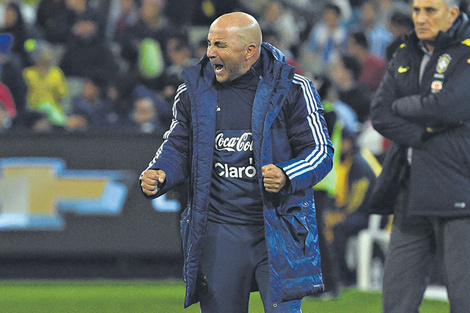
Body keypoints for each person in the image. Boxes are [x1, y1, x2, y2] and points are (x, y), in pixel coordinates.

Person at [140, 12, 333, 312]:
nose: (210, 53)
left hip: (278, 228)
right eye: (208, 43)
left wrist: (286, 173)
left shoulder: (294, 89)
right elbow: (178, 147)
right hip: (220, 233)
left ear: (250, 52)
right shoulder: (193, 92)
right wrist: (161, 171)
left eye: (220, 45)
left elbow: (321, 151)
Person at [370, 0, 470, 312]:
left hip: (458, 189)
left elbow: (448, 106)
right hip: (409, 188)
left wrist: (404, 106)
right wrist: (422, 132)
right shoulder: (405, 51)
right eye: (416, 10)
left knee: (464, 298)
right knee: (396, 301)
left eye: (430, 10)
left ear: (453, 13)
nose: (420, 18)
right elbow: (380, 114)